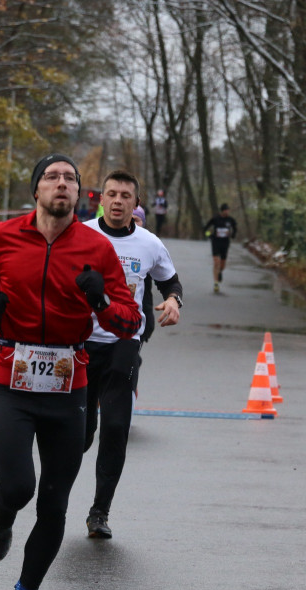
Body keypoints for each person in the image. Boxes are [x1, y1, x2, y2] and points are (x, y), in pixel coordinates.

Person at [0, 153, 142, 590]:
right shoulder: (4, 236)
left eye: (70, 179)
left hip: (68, 385)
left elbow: (130, 321)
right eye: (52, 177)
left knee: (54, 505)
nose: (61, 183)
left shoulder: (97, 249)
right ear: (36, 190)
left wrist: (101, 300)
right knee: (18, 486)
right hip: (12, 378)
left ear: (79, 194)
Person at [81, 170, 183, 539]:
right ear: (101, 200)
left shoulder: (149, 243)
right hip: (79, 343)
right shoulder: (81, 235)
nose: (118, 201)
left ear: (136, 203)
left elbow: (170, 281)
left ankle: (99, 512)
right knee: (80, 434)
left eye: (126, 196)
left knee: (115, 427)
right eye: (112, 194)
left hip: (124, 342)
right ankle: (55, 500)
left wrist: (173, 301)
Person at [204, 203, 237, 292]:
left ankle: (220, 271)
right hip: (216, 242)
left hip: (225, 243)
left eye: (228, 210)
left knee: (222, 264)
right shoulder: (215, 219)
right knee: (216, 262)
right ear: (222, 211)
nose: (227, 212)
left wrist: (232, 235)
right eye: (226, 210)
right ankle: (216, 283)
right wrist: (209, 236)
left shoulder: (230, 220)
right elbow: (205, 228)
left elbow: (235, 229)